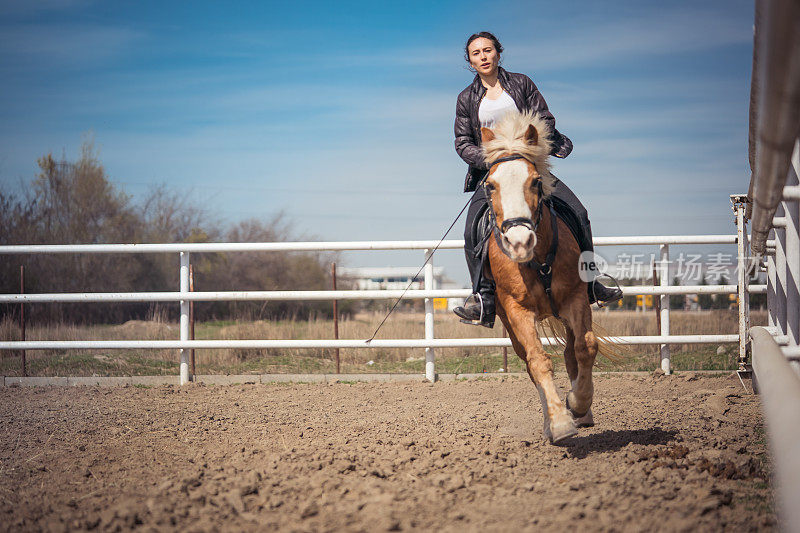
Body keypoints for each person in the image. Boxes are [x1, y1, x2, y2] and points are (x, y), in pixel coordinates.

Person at [453, 31, 622, 328]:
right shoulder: (466, 98)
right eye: (476, 53)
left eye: (488, 50)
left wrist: (526, 151)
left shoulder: (521, 83)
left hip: (530, 169)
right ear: (470, 60)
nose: (483, 56)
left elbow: (544, 118)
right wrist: (491, 159)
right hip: (492, 173)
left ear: (498, 53)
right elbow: (463, 141)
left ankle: (591, 280)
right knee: (471, 232)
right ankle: (484, 297)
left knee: (579, 214)